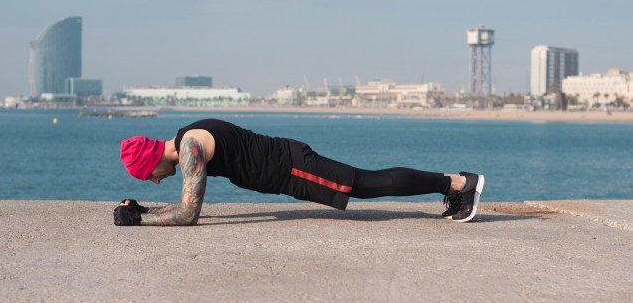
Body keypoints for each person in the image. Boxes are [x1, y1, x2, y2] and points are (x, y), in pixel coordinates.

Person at [115, 118, 485, 226]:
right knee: (366, 183)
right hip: (288, 163)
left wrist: (141, 217)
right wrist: (143, 209)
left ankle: (458, 184)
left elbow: (189, 213)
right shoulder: (187, 138)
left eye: (148, 176)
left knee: (367, 184)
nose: (154, 181)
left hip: (292, 168)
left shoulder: (190, 147)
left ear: (151, 162)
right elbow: (186, 201)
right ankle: (454, 184)